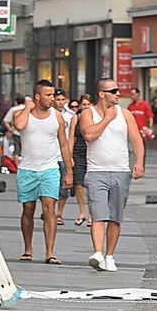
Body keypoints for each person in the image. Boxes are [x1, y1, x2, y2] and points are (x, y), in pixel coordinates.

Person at [81, 78, 145, 272]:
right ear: (102, 94)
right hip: (96, 171)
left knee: (115, 216)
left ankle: (110, 255)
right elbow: (89, 135)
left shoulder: (125, 115)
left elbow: (136, 139)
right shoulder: (87, 113)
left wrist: (139, 162)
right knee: (98, 214)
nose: (118, 94)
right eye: (114, 91)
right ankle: (98, 253)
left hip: (120, 170)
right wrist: (107, 119)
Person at [12, 80, 72, 265]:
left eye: (53, 95)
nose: (52, 98)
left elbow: (63, 144)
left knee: (49, 209)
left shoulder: (57, 117)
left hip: (50, 168)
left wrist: (69, 172)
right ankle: (28, 249)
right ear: (37, 97)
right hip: (27, 169)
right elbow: (19, 126)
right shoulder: (21, 114)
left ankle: (49, 252)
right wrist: (28, 107)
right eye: (48, 95)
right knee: (28, 209)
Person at [67, 94, 93, 226]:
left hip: (93, 153)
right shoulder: (75, 118)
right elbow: (71, 138)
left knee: (92, 186)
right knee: (78, 183)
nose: (86, 107)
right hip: (78, 152)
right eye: (84, 104)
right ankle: (82, 211)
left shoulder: (96, 118)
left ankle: (92, 214)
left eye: (89, 104)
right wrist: (69, 156)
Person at [52, 89, 76, 226]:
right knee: (51, 186)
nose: (60, 102)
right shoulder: (48, 114)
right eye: (58, 99)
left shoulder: (71, 116)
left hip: (63, 155)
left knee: (64, 186)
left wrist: (70, 156)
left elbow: (71, 137)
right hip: (50, 155)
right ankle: (50, 210)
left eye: (62, 99)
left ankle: (59, 213)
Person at [3, 95, 26, 163]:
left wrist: (10, 129)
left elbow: (6, 120)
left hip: (16, 132)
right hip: (26, 132)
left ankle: (17, 166)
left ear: (16, 102)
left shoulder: (13, 109)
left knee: (17, 150)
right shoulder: (27, 109)